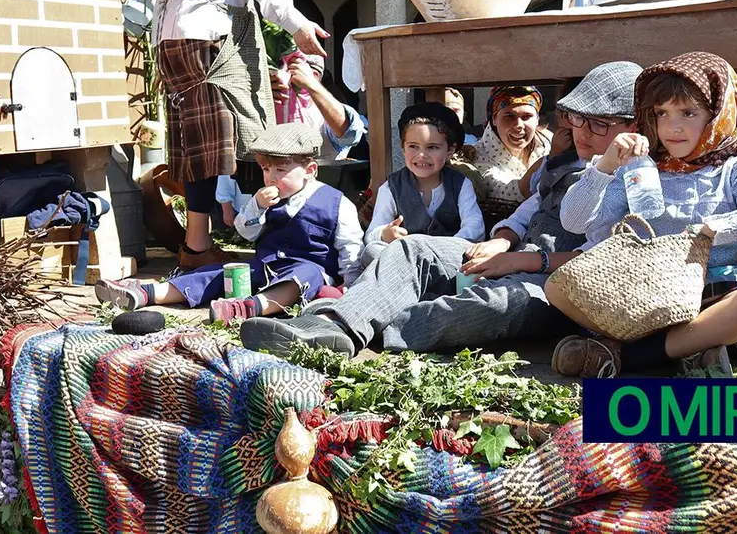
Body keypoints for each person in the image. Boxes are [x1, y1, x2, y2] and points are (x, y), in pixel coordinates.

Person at [239, 61, 643, 357]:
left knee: (497, 305)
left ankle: (366, 324)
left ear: (633, 124)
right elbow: (530, 208)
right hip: (516, 254)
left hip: (557, 284)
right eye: (577, 120)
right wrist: (503, 241)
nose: (583, 132)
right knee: (412, 249)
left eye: (599, 124)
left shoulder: (639, 179)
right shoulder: (571, 160)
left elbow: (600, 258)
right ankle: (334, 325)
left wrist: (524, 261)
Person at [548, 51, 737, 378]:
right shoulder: (639, 167)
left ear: (717, 114)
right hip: (640, 293)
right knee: (556, 288)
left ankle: (621, 355)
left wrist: (715, 227)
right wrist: (605, 166)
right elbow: (574, 222)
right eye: (662, 113)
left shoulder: (733, 169)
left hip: (709, 292)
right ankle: (689, 353)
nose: (672, 127)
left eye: (688, 113)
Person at [153, 0, 329, 269]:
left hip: (170, 33)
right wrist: (296, 22)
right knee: (246, 133)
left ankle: (197, 246)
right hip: (210, 28)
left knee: (199, 143)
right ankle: (277, 234)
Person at [95, 123, 363, 324]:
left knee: (304, 277)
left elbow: (350, 248)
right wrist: (257, 206)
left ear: (310, 170)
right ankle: (148, 292)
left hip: (310, 270)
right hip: (265, 265)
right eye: (266, 170)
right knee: (218, 272)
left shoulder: (337, 203)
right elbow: (245, 232)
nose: (271, 178)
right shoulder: (265, 198)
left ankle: (248, 307)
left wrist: (349, 284)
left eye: (280, 170)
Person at [361, 102, 483, 267]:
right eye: (413, 146)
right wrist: (385, 233)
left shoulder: (461, 184)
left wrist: (448, 247)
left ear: (449, 150)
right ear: (403, 148)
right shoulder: (391, 187)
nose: (421, 155)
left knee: (474, 252)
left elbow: (475, 226)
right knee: (372, 252)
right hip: (406, 261)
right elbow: (371, 234)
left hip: (446, 259)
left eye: (432, 147)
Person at [459, 85, 552, 205]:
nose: (519, 125)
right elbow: (514, 192)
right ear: (494, 119)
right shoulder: (478, 157)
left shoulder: (547, 141)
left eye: (526, 117)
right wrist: (552, 158)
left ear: (537, 119)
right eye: (509, 116)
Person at [273, 51, 366, 160]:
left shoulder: (324, 118)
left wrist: (312, 85)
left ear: (314, 76)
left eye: (288, 69)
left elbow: (350, 134)